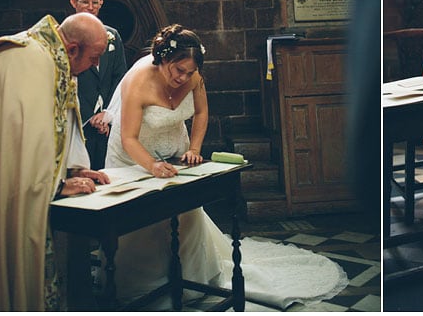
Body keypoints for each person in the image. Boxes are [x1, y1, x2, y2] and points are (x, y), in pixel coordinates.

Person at [104, 25, 348, 308]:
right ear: (163, 59)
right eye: (178, 70)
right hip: (134, 156)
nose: (183, 77)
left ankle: (193, 279)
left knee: (187, 213)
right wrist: (152, 165)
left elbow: (201, 111)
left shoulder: (193, 76)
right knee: (142, 222)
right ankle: (145, 285)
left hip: (175, 152)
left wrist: (194, 149)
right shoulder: (138, 81)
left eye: (189, 72)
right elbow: (129, 137)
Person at [0, 13, 111, 311]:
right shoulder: (32, 61)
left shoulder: (48, 58)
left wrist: (71, 169)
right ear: (72, 49)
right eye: (94, 57)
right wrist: (57, 185)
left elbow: (42, 132)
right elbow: (26, 142)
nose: (95, 66)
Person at [70, 0, 127, 169]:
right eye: (85, 2)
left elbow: (120, 78)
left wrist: (108, 114)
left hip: (108, 126)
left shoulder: (113, 36)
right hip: (78, 126)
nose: (90, 7)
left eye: (95, 2)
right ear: (74, 3)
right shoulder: (65, 35)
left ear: (101, 3)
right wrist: (88, 118)